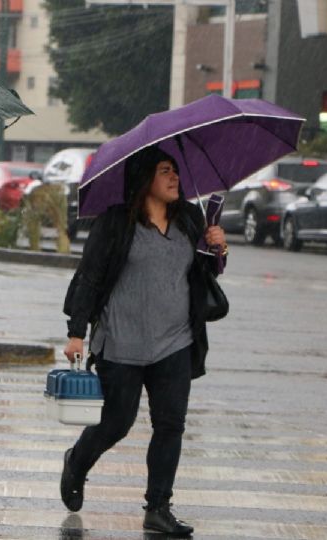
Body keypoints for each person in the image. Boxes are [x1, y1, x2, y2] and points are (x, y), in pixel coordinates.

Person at [60, 145, 227, 537]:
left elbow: (206, 271)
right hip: (122, 340)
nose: (174, 178)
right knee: (117, 422)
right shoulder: (116, 222)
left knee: (171, 424)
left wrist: (217, 247)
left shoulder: (189, 217)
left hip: (175, 340)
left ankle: (158, 507)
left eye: (176, 172)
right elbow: (89, 277)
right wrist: (76, 332)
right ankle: (77, 461)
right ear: (144, 177)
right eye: (165, 171)